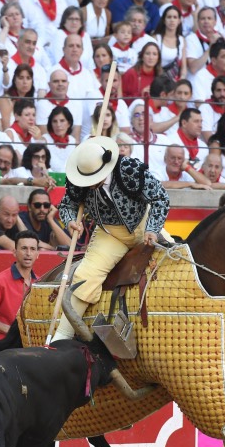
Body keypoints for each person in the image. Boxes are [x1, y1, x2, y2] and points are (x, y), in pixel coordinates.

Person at [51, 135, 170, 343]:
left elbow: (160, 198)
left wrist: (153, 228)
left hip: (144, 226)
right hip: (110, 234)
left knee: (176, 260)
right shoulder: (79, 177)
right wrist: (70, 221)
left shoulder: (129, 169)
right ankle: (62, 336)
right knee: (86, 275)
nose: (90, 184)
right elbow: (67, 205)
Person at [0, 229, 39, 348]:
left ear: (37, 254)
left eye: (33, 249)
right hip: (2, 346)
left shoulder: (39, 283)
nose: (28, 253)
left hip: (28, 345)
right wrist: (12, 332)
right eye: (24, 248)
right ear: (14, 252)